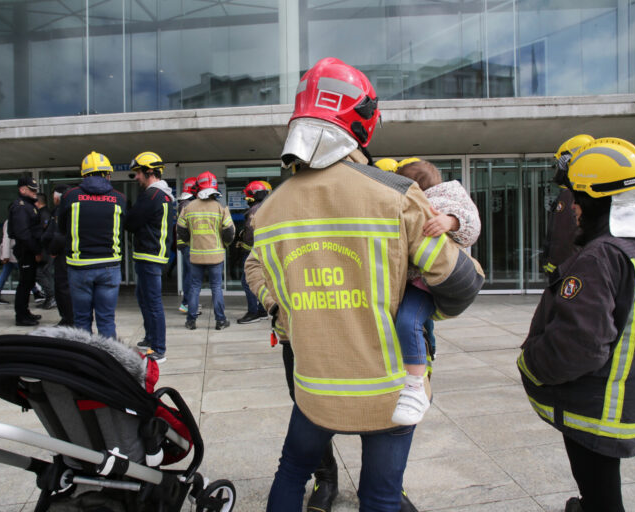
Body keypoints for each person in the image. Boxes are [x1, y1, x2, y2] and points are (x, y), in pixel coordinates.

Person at [245, 57, 484, 511]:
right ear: (364, 122)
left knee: (291, 471)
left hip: (314, 383)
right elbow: (457, 282)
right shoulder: (394, 194)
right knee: (380, 495)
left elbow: (260, 276)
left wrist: (283, 315)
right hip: (390, 386)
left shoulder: (270, 210)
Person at [517, 137, 635, 512]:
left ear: (595, 199)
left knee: (603, 496)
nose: (571, 209)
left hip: (597, 409)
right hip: (629, 400)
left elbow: (577, 346)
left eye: (577, 198)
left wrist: (531, 363)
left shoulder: (601, 256)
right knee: (600, 489)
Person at [391, 159, 481, 425]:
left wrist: (450, 221)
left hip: (427, 283)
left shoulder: (445, 200)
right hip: (414, 282)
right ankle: (425, 354)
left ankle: (414, 386)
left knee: (409, 322)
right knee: (418, 324)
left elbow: (471, 224)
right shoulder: (415, 202)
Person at [59, 151, 126, 339]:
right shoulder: (119, 198)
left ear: (84, 174)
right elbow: (122, 228)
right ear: (107, 174)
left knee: (81, 320)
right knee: (106, 319)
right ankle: (109, 361)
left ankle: (84, 362)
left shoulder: (70, 196)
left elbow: (62, 228)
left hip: (80, 266)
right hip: (109, 266)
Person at [126, 151, 175, 362]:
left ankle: (159, 348)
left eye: (138, 173)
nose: (136, 177)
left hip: (150, 257)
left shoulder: (151, 196)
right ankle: (151, 338)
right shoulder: (162, 195)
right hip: (154, 256)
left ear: (149, 172)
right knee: (144, 298)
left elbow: (129, 222)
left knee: (152, 302)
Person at [177, 171, 235, 331]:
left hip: (195, 254)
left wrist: (190, 242)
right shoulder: (220, 207)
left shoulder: (188, 207)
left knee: (195, 287)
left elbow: (180, 229)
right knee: (216, 287)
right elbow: (230, 231)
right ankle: (220, 321)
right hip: (216, 255)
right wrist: (225, 244)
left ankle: (191, 321)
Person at [541, 134, 595, 277]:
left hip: (568, 270)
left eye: (560, 163)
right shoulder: (594, 194)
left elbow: (563, 235)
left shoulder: (570, 195)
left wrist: (553, 266)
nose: (558, 169)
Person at [8, 176, 44, 326]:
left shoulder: (28, 205)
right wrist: (36, 251)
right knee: (25, 284)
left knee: (28, 283)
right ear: (22, 189)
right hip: (26, 250)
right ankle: (21, 316)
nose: (35, 192)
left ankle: (24, 311)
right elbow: (23, 233)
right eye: (31, 189)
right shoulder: (21, 206)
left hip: (29, 249)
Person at [235, 180, 271, 324]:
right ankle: (262, 310)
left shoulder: (254, 210)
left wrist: (243, 245)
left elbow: (250, 233)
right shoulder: (267, 207)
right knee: (262, 280)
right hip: (265, 251)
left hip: (253, 252)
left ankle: (253, 312)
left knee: (248, 281)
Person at [42, 184, 74, 326]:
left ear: (57, 197)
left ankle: (68, 319)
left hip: (62, 254)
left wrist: (53, 251)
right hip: (65, 253)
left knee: (63, 288)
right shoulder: (65, 209)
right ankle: (67, 318)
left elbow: (59, 235)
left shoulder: (62, 210)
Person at [176, 177, 198, 315]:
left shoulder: (183, 203)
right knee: (191, 275)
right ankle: (187, 303)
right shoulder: (187, 204)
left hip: (185, 244)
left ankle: (188, 302)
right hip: (189, 244)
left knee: (188, 275)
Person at [34, 192, 56, 310]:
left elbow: (44, 234)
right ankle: (50, 297)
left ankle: (51, 297)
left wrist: (39, 250)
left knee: (41, 273)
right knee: (44, 273)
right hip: (45, 249)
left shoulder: (44, 214)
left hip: (45, 250)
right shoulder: (45, 213)